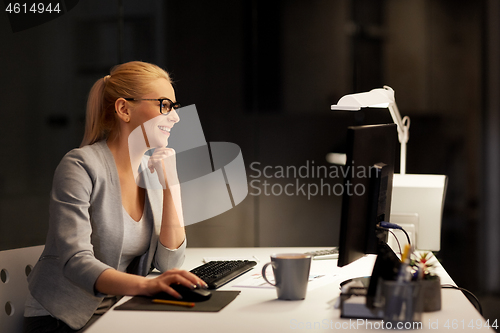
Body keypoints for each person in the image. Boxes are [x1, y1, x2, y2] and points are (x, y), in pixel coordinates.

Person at [23, 61, 206, 332]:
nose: (176, 117)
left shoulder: (150, 171)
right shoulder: (80, 166)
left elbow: (169, 262)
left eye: (174, 107)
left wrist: (172, 185)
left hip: (119, 314)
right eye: (165, 105)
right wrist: (146, 285)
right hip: (62, 320)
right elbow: (75, 261)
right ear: (123, 109)